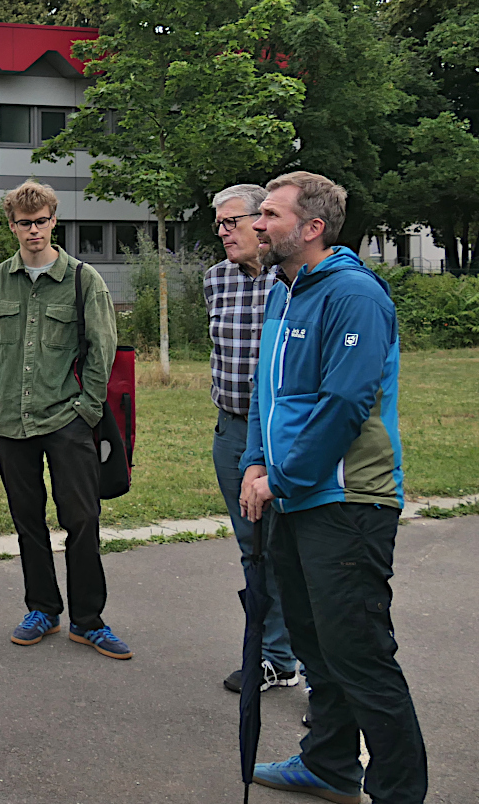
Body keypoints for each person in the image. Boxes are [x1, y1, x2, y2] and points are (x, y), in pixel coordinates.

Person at [240, 171, 426, 804]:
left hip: (348, 502)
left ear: (311, 226)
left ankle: (399, 792)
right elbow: (268, 395)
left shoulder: (355, 295)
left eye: (268, 214)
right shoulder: (282, 293)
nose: (256, 224)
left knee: (361, 656)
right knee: (317, 648)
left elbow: (344, 401)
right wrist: (254, 463)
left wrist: (283, 476)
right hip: (293, 497)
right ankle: (329, 765)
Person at [0, 181, 131, 660]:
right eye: (24, 223)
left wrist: (86, 411)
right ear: (12, 226)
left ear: (54, 221)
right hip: (10, 425)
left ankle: (89, 621)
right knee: (27, 522)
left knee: (82, 519)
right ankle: (42, 610)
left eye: (41, 221)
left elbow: (103, 352)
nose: (33, 230)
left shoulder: (84, 280)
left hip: (67, 421)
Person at [203, 184, 299, 696]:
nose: (221, 233)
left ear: (261, 222)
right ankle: (271, 655)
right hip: (232, 430)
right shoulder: (215, 279)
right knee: (252, 547)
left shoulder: (292, 283)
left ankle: (294, 657)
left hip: (282, 433)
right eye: (216, 225)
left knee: (291, 547)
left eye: (229, 222)